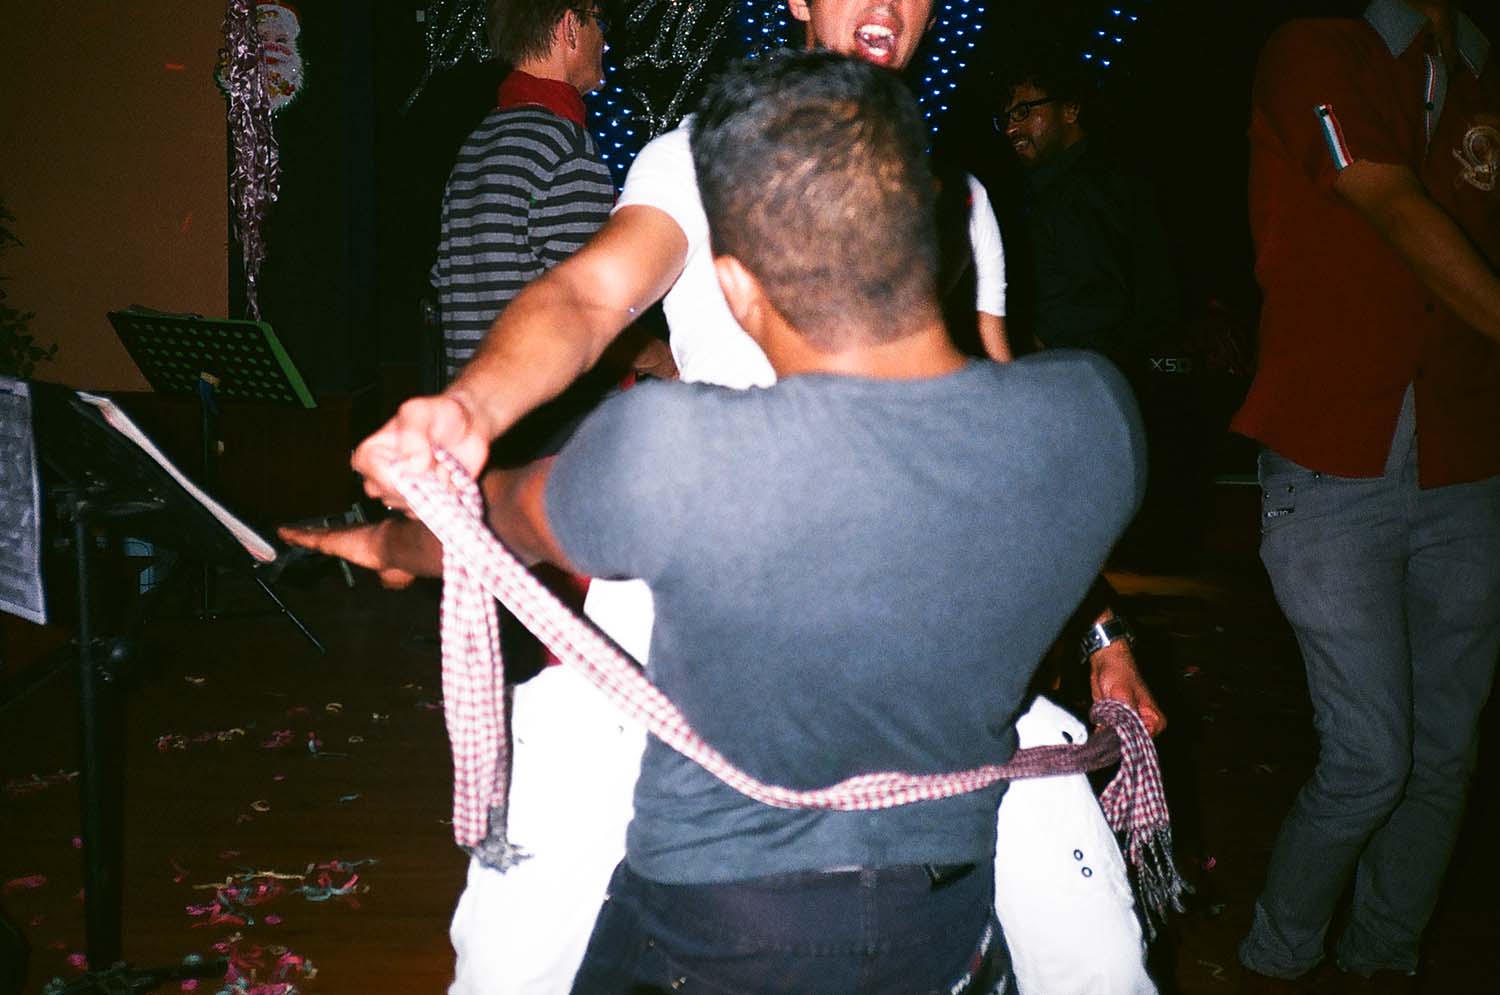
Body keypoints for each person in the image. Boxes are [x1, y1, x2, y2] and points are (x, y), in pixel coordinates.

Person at [340, 1, 1161, 992]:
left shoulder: (955, 194)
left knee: (1096, 959)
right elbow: (589, 295)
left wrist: (1099, 628)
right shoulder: (702, 159)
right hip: (685, 598)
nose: (886, 3)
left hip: (929, 640)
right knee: (513, 955)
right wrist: (469, 406)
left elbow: (1006, 435)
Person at [1232, 1, 1500, 988]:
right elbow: (1381, 193)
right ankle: (1275, 960)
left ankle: (1383, 958)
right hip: (1331, 457)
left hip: (1470, 461)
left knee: (1443, 757)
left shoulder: (1483, 73)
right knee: (1370, 760)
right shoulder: (1318, 46)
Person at [996, 43, 1179, 373]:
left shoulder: (1081, 189)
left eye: (1023, 111)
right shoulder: (1063, 187)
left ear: (1070, 110)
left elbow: (1101, 304)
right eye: (1006, 117)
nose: (1011, 128)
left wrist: (1027, 343)